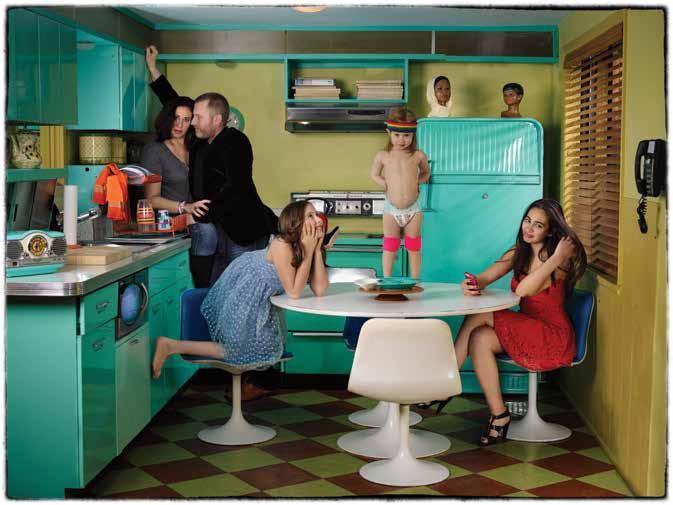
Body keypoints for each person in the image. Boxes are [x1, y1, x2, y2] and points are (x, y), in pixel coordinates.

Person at [424, 199, 586, 446]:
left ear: (550, 231)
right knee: (479, 338)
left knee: (479, 315)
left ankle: (445, 383)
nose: (529, 228)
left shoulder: (559, 261)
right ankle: (499, 415)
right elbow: (485, 277)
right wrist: (473, 283)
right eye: (527, 220)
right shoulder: (519, 251)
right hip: (527, 327)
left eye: (538, 225)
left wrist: (555, 258)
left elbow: (523, 290)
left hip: (551, 336)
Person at [152, 200, 329, 381]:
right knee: (237, 351)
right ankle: (171, 345)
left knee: (262, 349)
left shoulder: (305, 246)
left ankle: (245, 384)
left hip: (263, 298)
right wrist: (308, 253)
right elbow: (294, 292)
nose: (318, 220)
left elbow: (319, 289)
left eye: (316, 215)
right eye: (310, 216)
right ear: (296, 222)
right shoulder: (282, 244)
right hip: (246, 293)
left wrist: (316, 250)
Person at [145, 45, 278, 286]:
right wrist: (154, 70)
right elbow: (174, 104)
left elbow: (234, 188)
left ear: (216, 120)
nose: (191, 123)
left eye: (196, 118)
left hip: (243, 230)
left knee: (239, 290)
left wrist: (196, 215)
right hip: (222, 229)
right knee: (219, 293)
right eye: (190, 118)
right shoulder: (200, 140)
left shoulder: (235, 141)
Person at [140, 95, 215, 288]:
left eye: (186, 119)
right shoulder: (154, 151)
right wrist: (185, 207)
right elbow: (151, 199)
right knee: (207, 232)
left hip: (198, 218)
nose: (180, 124)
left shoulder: (196, 148)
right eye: (176, 118)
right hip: (170, 222)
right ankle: (202, 290)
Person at [370, 107, 431, 279]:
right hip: (391, 210)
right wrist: (385, 183)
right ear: (389, 133)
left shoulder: (418, 155)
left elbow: (426, 172)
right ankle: (387, 279)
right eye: (397, 135)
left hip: (413, 209)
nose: (402, 140)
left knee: (414, 246)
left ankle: (415, 280)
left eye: (406, 135)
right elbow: (374, 174)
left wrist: (417, 181)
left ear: (413, 135)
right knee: (390, 246)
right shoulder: (383, 155)